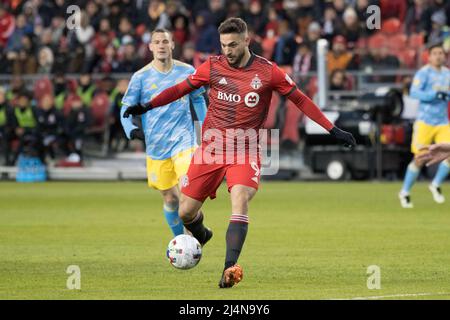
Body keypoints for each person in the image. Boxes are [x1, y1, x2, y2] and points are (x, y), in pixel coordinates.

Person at [123, 18, 356, 288]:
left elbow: (300, 99)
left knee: (240, 199)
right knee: (185, 213)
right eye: (223, 46)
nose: (228, 51)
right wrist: (147, 106)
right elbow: (180, 89)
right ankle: (203, 233)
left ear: (247, 41)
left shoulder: (269, 72)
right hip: (211, 148)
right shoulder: (212, 66)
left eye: (233, 45)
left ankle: (228, 268)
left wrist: (332, 129)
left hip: (245, 148)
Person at [120, 29, 207, 237]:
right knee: (170, 199)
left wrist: (204, 129)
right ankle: (180, 241)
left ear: (172, 45)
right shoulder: (140, 77)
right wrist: (131, 130)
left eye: (165, 41)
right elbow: (125, 108)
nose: (161, 45)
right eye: (157, 42)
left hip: (184, 141)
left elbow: (197, 100)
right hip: (157, 146)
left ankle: (195, 236)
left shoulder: (187, 71)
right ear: (150, 47)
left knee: (189, 191)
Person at [398, 43, 450, 208]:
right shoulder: (424, 72)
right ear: (429, 56)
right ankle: (405, 191)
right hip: (425, 121)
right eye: (435, 53)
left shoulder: (448, 74)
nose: (439, 56)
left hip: (442, 121)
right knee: (420, 158)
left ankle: (435, 183)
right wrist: (433, 94)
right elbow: (414, 92)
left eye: (441, 53)